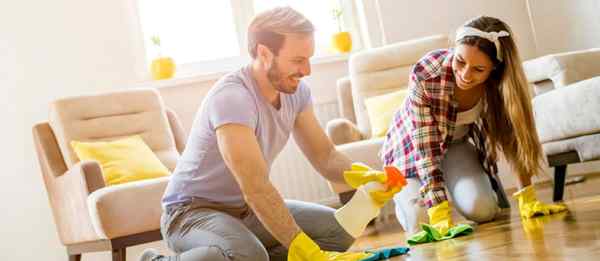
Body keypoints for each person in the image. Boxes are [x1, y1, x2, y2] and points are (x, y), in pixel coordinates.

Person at [140, 7, 378, 261]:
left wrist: (366, 177)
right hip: (190, 213)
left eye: (309, 59)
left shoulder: (297, 92)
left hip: (244, 211)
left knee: (336, 235)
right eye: (298, 60)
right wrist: (303, 248)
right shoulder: (233, 98)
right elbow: (255, 188)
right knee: (250, 255)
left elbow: (326, 157)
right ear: (265, 53)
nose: (307, 70)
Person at [381, 16, 567, 237]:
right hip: (411, 151)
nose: (465, 75)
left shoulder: (500, 87)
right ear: (454, 49)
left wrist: (527, 197)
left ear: (494, 70)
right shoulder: (427, 73)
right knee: (421, 222)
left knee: (483, 210)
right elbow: (426, 149)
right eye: (460, 61)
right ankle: (405, 199)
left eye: (478, 69)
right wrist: (439, 211)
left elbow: (513, 138)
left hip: (456, 146)